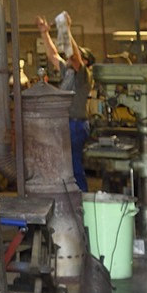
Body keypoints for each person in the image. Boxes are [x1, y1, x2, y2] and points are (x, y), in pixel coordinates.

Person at [38, 14, 93, 190]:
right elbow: (53, 55)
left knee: (73, 167)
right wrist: (44, 33)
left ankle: (80, 200)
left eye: (76, 57)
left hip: (76, 125)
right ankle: (68, 199)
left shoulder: (83, 75)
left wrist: (66, 29)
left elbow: (74, 56)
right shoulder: (67, 72)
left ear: (85, 62)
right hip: (66, 124)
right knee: (64, 166)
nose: (69, 58)